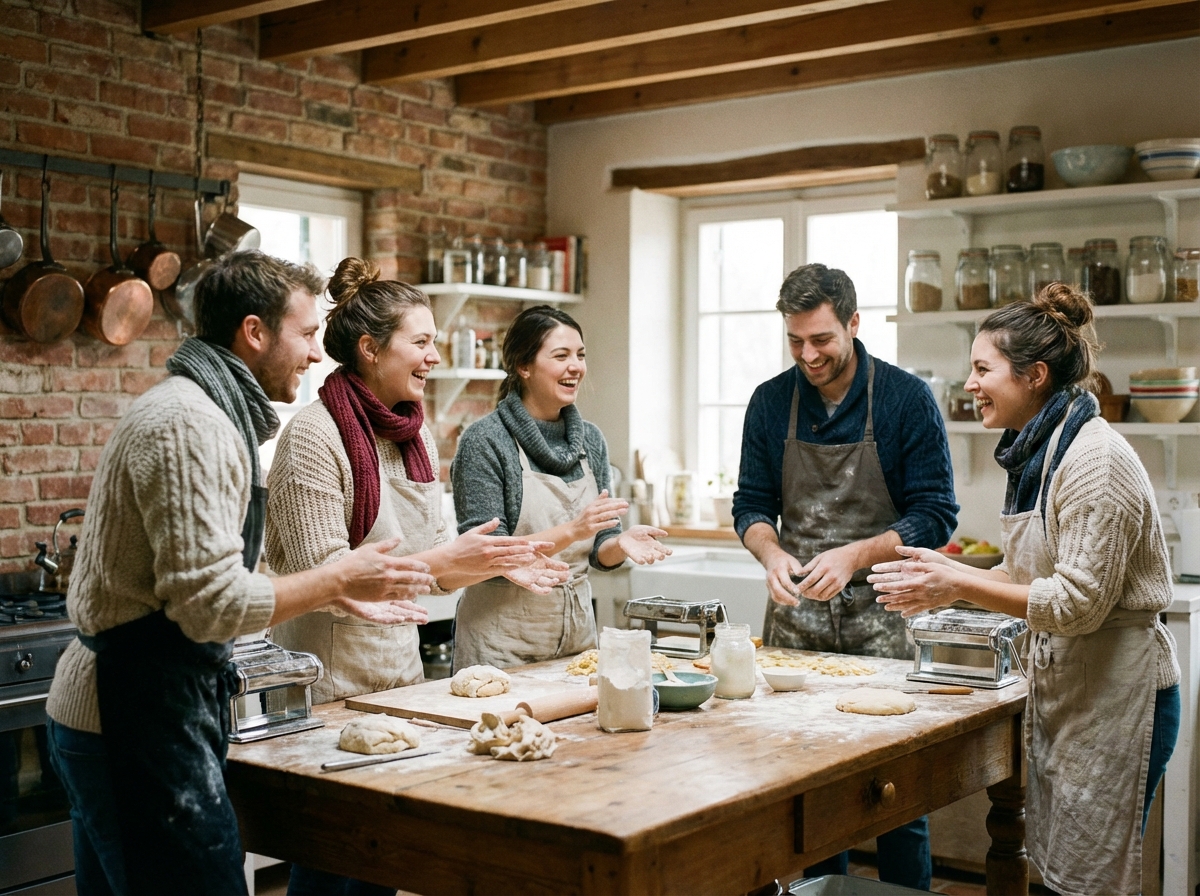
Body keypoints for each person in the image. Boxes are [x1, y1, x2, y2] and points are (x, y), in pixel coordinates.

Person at [44, 251, 437, 896]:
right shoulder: (191, 424)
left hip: (147, 702)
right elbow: (210, 606)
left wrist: (343, 584)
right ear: (254, 333)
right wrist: (340, 579)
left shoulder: (213, 416)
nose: (318, 354)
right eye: (307, 334)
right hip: (124, 712)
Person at [265, 260, 569, 896]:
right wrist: (438, 566)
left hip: (396, 680)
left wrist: (495, 561)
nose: (434, 357)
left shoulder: (413, 433)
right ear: (371, 350)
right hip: (325, 685)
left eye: (435, 340)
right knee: (331, 865)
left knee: (384, 863)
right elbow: (322, 578)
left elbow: (432, 567)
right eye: (422, 342)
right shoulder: (313, 438)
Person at [870, 284, 1181, 896]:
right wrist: (942, 585)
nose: (970, 385)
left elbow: (1075, 603)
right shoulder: (1042, 452)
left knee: (1090, 883)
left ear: (1034, 375)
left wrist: (955, 579)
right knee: (1060, 874)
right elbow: (1023, 574)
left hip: (1120, 695)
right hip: (1077, 690)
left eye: (983, 369)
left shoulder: (1095, 461)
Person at [733, 263, 958, 889]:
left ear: (854, 324)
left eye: (822, 340)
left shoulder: (904, 399)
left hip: (885, 616)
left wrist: (856, 555)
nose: (809, 355)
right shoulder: (771, 401)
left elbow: (936, 515)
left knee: (895, 793)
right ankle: (819, 891)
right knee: (804, 787)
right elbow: (750, 505)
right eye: (795, 341)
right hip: (796, 624)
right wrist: (772, 555)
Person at [451, 305, 671, 670]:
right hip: (502, 647)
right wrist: (574, 529)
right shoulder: (485, 441)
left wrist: (621, 543)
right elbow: (490, 553)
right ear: (524, 366)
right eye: (561, 355)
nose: (576, 366)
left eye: (581, 355)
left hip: (577, 643)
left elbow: (600, 550)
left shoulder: (591, 439)